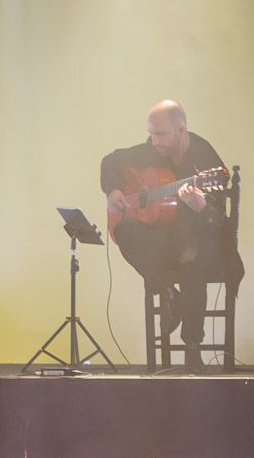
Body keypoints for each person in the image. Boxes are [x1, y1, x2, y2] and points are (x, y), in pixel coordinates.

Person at [100, 99, 243, 365]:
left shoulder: (204, 157)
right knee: (124, 229)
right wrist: (113, 190)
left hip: (200, 244)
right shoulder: (151, 149)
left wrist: (202, 208)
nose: (155, 141)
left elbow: (220, 225)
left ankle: (192, 348)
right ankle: (168, 292)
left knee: (191, 260)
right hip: (163, 244)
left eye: (161, 134)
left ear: (182, 129)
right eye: (151, 133)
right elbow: (111, 161)